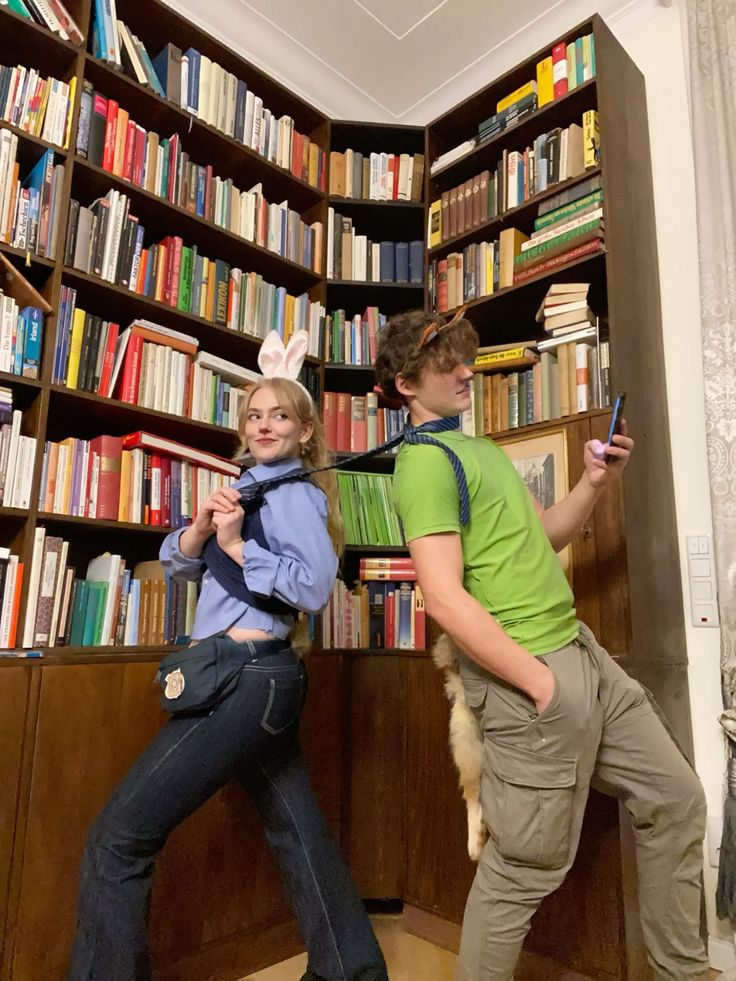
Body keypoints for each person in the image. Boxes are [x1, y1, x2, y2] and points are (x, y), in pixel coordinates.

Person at [375, 308, 708, 981]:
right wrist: (537, 682)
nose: (466, 370)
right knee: (521, 868)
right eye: (447, 364)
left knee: (676, 798)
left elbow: (545, 536)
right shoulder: (423, 466)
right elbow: (441, 596)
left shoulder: (479, 449)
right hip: (533, 678)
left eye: (466, 357)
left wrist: (593, 482)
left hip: (581, 654)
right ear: (407, 383)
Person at [68, 347, 387, 981]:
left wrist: (238, 544)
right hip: (253, 680)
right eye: (253, 416)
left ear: (302, 431)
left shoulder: (293, 492)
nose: (264, 425)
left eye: (279, 416)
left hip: (247, 677)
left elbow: (314, 588)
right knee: (297, 835)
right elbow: (182, 562)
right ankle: (351, 971)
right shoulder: (245, 486)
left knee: (117, 838)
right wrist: (201, 532)